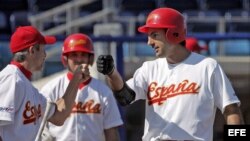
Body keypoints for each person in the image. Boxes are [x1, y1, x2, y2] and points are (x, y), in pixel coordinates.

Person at [96, 8, 244, 141]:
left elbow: (232, 110)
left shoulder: (207, 67)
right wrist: (112, 73)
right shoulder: (149, 68)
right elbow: (125, 98)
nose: (149, 42)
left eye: (154, 35)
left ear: (173, 33)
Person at [0, 26, 88, 141]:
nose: (45, 55)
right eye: (42, 49)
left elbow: (58, 116)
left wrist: (76, 80)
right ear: (32, 50)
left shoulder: (27, 86)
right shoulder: (11, 78)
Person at [40, 33, 123, 141]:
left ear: (90, 58)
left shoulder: (103, 91)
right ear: (65, 59)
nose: (79, 59)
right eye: (74, 54)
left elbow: (111, 132)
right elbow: (38, 124)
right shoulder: (51, 88)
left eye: (83, 54)